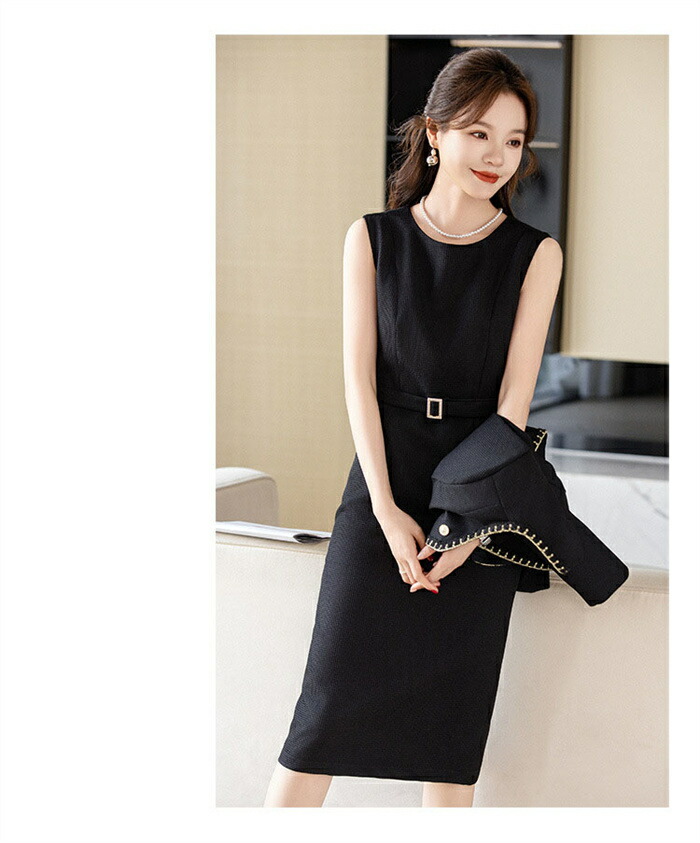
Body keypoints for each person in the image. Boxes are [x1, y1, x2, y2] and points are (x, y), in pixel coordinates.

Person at [264, 47, 564, 808]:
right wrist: (387, 509)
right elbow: (359, 382)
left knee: (449, 745)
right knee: (318, 726)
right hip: (382, 484)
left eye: (513, 140)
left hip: (479, 490)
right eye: (479, 133)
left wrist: (466, 528)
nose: (497, 155)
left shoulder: (536, 255)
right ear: (434, 132)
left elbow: (515, 401)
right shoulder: (372, 239)